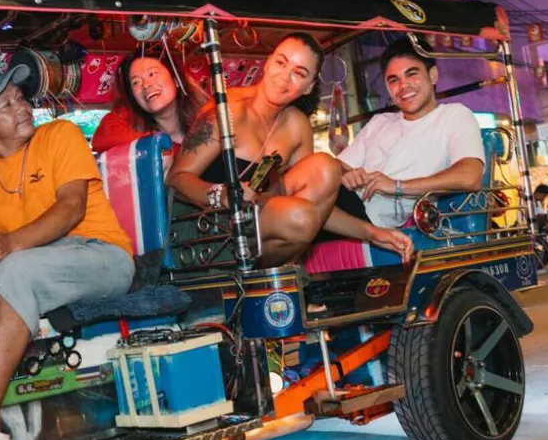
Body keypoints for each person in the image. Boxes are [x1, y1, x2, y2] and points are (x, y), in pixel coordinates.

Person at [0, 45, 134, 440]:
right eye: (6, 104)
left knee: (16, 269)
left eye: (20, 97)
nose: (22, 107)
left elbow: (71, 208)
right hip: (38, 268)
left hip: (102, 256)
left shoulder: (59, 135)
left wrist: (7, 245)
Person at [167, 33, 412, 267]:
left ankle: (277, 267)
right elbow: (176, 179)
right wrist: (221, 194)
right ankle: (260, 272)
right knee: (301, 217)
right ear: (267, 63)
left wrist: (373, 233)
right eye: (281, 63)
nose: (285, 77)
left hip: (260, 227)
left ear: (308, 87)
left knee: (325, 166)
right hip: (209, 226)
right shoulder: (225, 111)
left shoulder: (296, 125)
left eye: (299, 73)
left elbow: (318, 209)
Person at [336, 38, 485, 228]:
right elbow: (337, 166)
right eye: (394, 80)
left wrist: (397, 186)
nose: (403, 86)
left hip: (373, 219)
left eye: (411, 74)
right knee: (317, 169)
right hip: (347, 202)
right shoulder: (379, 122)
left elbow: (470, 176)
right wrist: (350, 175)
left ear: (432, 75)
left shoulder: (454, 115)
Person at [90, 44, 209, 154]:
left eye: (152, 74)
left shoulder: (210, 118)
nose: (146, 85)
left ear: (176, 80)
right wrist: (161, 145)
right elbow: (101, 138)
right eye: (136, 82)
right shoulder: (128, 120)